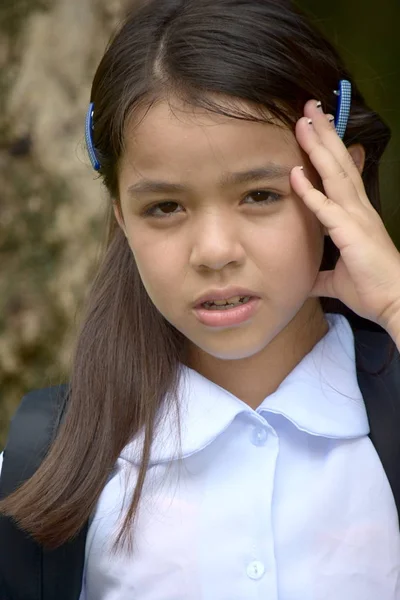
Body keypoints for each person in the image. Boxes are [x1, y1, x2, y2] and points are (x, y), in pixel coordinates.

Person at [1, 0, 400, 598]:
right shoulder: (44, 467)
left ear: (335, 178)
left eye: (260, 195)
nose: (214, 251)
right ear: (121, 216)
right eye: (165, 207)